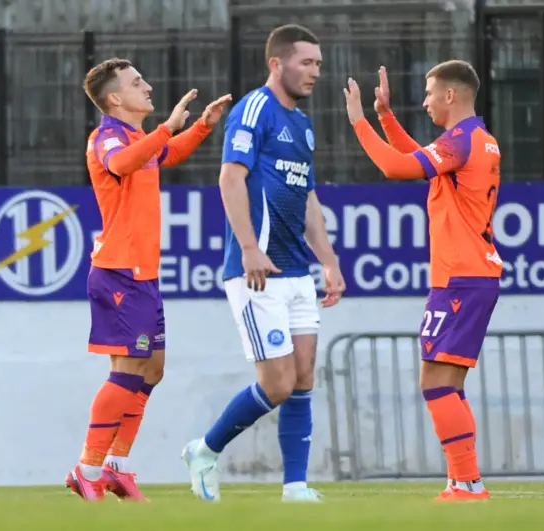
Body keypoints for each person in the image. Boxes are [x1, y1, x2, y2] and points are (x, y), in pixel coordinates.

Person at [181, 24, 346, 503]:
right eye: (306, 62)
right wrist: (250, 247)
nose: (315, 72)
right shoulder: (255, 108)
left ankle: (295, 485)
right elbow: (230, 178)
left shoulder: (304, 125)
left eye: (318, 63)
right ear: (277, 63)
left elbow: (308, 198)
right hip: (257, 273)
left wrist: (329, 262)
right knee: (276, 382)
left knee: (304, 377)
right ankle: (205, 450)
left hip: (297, 272)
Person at [65, 57, 231, 501]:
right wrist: (168, 127)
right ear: (115, 98)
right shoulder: (107, 137)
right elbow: (120, 165)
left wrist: (199, 127)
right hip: (118, 273)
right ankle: (87, 468)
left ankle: (115, 466)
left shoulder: (139, 137)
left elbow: (163, 153)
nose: (149, 87)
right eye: (137, 83)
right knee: (128, 368)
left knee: (151, 370)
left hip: (142, 275)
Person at [344, 60, 502, 502]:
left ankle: (468, 484)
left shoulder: (461, 140)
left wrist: (359, 121)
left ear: (451, 95)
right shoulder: (477, 140)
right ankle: (463, 483)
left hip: (460, 277)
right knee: (446, 383)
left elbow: (398, 168)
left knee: (434, 381)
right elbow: (419, 160)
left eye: (431, 93)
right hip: (473, 274)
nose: (426, 100)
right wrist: (386, 118)